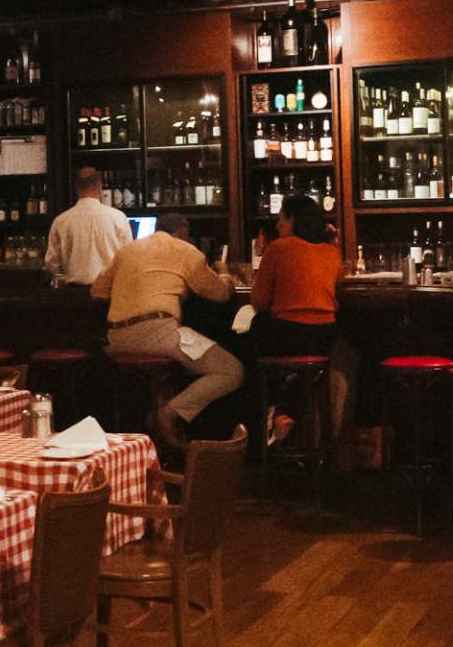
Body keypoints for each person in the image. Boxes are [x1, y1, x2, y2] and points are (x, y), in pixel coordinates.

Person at [97, 217, 242, 447]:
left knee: (174, 365)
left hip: (116, 339)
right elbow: (219, 294)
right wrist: (224, 273)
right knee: (231, 371)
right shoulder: (185, 251)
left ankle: (157, 417)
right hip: (158, 334)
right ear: (183, 234)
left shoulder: (127, 250)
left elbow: (98, 291)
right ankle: (167, 413)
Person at [247, 195, 347, 444]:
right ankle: (284, 411)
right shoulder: (332, 253)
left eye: (281, 218)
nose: (278, 225)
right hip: (325, 336)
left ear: (293, 221)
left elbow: (258, 303)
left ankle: (258, 428)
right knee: (301, 371)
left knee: (247, 345)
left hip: (286, 334)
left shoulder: (278, 248)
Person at [45, 168, 133, 289]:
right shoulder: (118, 218)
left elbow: (52, 264)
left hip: (74, 293)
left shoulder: (61, 221)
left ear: (76, 189)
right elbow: (128, 259)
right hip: (109, 292)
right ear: (100, 188)